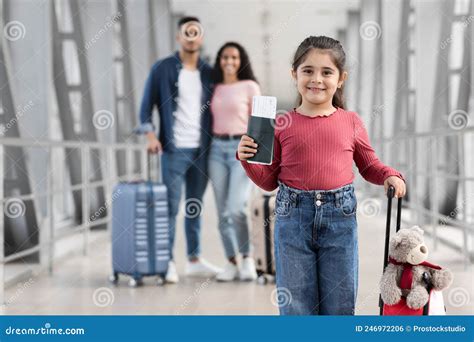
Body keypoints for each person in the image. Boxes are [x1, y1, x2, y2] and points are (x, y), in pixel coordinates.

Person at [237, 36, 406, 314]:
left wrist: (389, 174)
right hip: (292, 219)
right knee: (296, 304)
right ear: (295, 74)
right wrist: (247, 161)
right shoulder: (280, 123)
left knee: (339, 303)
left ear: (341, 79)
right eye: (308, 71)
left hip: (340, 220)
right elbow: (268, 181)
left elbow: (368, 165)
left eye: (327, 72)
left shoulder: (350, 121)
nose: (317, 79)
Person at [138, 16, 221, 284]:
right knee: (170, 208)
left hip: (202, 150)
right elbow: (145, 108)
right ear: (178, 37)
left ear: (201, 38)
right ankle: (168, 261)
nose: (191, 36)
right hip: (173, 150)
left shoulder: (209, 73)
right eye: (186, 32)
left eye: (196, 32)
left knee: (194, 206)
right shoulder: (162, 68)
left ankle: (194, 259)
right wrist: (150, 136)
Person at [209, 42, 261, 281]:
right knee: (222, 212)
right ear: (220, 60)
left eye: (234, 57)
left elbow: (260, 122)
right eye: (225, 57)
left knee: (236, 207)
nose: (229, 61)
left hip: (242, 149)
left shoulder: (250, 86)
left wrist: (260, 157)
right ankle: (231, 261)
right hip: (216, 149)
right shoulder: (215, 87)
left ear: (241, 61)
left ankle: (247, 258)